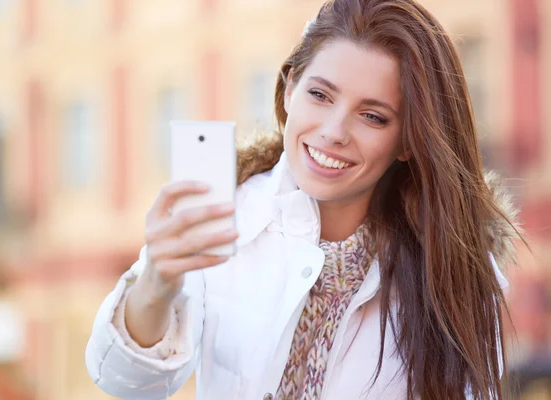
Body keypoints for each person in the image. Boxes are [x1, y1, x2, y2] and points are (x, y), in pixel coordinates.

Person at [85, 0, 522, 398]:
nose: (334, 131)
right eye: (320, 94)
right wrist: (157, 284)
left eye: (372, 116)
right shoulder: (222, 217)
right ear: (290, 87)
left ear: (407, 140)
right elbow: (130, 381)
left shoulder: (453, 269)